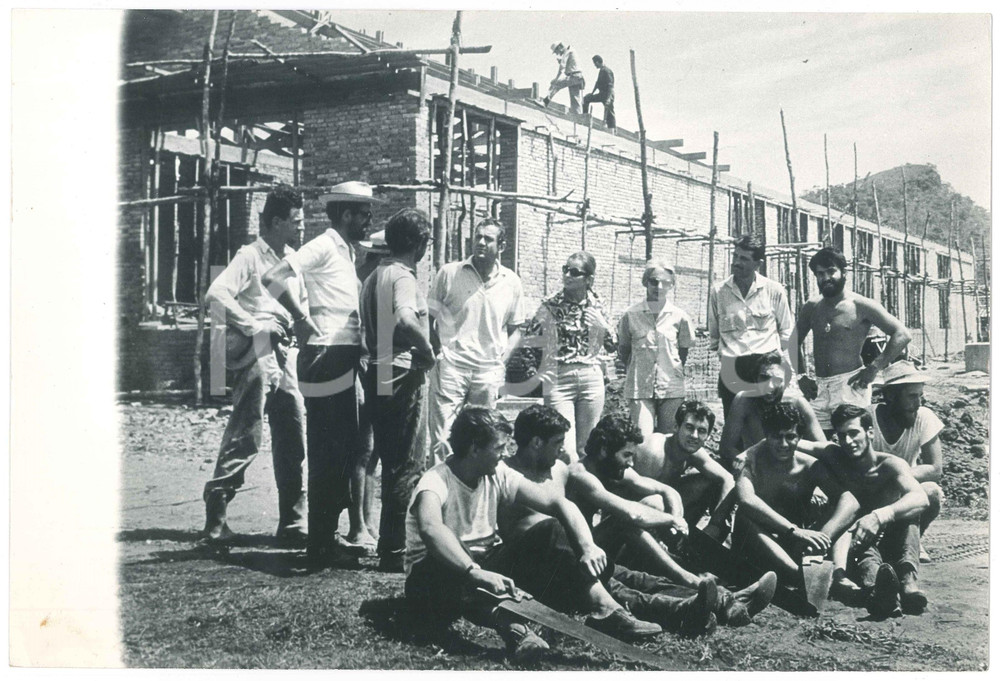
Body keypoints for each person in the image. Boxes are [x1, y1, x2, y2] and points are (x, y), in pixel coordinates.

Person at [404, 408, 659, 665]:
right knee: (449, 560)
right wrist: (473, 571)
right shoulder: (435, 481)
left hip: (483, 564)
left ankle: (605, 609)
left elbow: (559, 503)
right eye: (499, 447)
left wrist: (588, 546)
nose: (504, 453)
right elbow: (431, 529)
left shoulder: (497, 473)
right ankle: (516, 631)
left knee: (550, 528)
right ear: (474, 449)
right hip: (435, 575)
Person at [501, 405, 720, 637]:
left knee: (632, 578)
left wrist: (588, 548)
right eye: (558, 442)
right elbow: (627, 513)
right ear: (536, 442)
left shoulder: (559, 470)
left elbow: (568, 508)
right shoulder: (506, 474)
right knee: (616, 585)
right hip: (539, 566)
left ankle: (716, 601)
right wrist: (671, 520)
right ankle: (679, 609)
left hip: (578, 553)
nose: (563, 449)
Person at [263, 180, 379, 568]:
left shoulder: (346, 252)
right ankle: (320, 546)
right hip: (325, 355)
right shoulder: (325, 245)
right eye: (363, 214)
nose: (368, 221)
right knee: (327, 452)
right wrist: (300, 317)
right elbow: (273, 277)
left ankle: (325, 539)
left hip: (342, 355)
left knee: (342, 450)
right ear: (345, 214)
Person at [566, 414, 777, 627]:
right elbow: (632, 514)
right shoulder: (580, 475)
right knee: (626, 524)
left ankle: (726, 600)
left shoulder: (610, 467)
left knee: (644, 575)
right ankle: (695, 581)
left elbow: (665, 490)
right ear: (604, 450)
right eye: (627, 455)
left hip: (595, 551)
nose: (631, 463)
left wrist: (677, 517)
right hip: (576, 556)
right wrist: (670, 521)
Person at [201, 185, 308, 545]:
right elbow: (216, 294)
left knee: (293, 433)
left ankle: (292, 521)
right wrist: (254, 326)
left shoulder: (292, 260)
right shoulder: (249, 256)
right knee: (247, 432)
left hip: (286, 351)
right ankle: (216, 520)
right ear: (276, 222)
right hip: (258, 348)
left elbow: (299, 306)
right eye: (295, 220)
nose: (300, 226)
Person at [360, 209, 436, 572]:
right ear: (419, 244)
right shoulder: (403, 276)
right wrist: (428, 350)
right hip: (403, 373)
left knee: (390, 460)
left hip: (377, 371)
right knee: (407, 463)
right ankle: (396, 549)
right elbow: (406, 320)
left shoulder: (374, 275)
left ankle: (390, 546)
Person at [428, 219, 526, 464]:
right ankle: (442, 486)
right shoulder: (449, 273)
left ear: (501, 246)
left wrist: (502, 362)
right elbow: (428, 318)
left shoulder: (511, 281)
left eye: (488, 239)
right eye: (478, 237)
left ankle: (476, 485)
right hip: (451, 368)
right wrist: (438, 353)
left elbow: (516, 329)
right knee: (443, 439)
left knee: (483, 438)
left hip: (487, 372)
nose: (480, 242)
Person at [731, 402, 859, 587]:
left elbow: (850, 502)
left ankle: (833, 575)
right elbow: (746, 500)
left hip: (795, 546)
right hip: (758, 545)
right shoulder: (751, 461)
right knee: (744, 516)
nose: (783, 444)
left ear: (800, 438)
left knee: (841, 512)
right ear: (766, 436)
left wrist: (822, 537)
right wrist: (794, 530)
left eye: (790, 437)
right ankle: (801, 578)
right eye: (777, 437)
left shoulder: (809, 465)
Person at [790, 247, 911, 433]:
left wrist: (874, 368)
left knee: (852, 441)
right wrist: (801, 376)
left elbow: (902, 334)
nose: (826, 278)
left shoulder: (861, 305)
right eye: (820, 274)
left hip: (851, 386)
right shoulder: (812, 307)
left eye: (831, 271)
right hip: (818, 389)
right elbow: (793, 341)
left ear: (844, 272)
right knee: (817, 441)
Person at [827, 404, 930, 618]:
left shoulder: (891, 465)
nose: (848, 441)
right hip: (860, 543)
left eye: (854, 433)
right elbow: (797, 444)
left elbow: (920, 498)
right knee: (862, 545)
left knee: (910, 515)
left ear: (870, 433)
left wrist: (879, 516)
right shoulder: (837, 459)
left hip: (894, 540)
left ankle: (908, 581)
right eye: (842, 436)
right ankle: (881, 593)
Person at [522, 251, 616, 462]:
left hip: (591, 378)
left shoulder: (598, 305)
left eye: (574, 272)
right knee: (564, 448)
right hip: (559, 379)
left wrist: (601, 325)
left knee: (587, 448)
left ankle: (581, 484)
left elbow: (613, 346)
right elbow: (529, 341)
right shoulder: (550, 304)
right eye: (565, 269)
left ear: (588, 279)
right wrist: (535, 374)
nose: (567, 275)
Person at [708, 235, 794, 418]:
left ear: (758, 264)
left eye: (744, 259)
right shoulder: (718, 292)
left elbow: (787, 330)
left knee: (769, 422)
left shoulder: (774, 290)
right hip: (732, 369)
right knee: (735, 424)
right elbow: (714, 336)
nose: (736, 262)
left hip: (765, 368)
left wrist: (772, 362)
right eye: (735, 256)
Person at [868, 360, 944, 563]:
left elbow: (935, 469)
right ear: (891, 396)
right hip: (873, 491)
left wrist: (894, 474)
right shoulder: (867, 417)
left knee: (932, 492)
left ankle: (912, 540)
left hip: (905, 488)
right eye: (912, 396)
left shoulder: (924, 417)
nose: (918, 403)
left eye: (920, 396)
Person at [630, 400, 735, 537]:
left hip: (665, 507)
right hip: (632, 516)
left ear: (708, 436)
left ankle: (692, 538)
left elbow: (728, 479)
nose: (694, 436)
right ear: (676, 427)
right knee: (656, 502)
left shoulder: (694, 451)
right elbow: (634, 499)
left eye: (701, 431)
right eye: (689, 427)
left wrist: (715, 524)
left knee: (707, 481)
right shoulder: (654, 451)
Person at [617, 259, 694, 436]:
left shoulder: (680, 316)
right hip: (640, 388)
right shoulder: (631, 315)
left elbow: (683, 351)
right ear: (645, 282)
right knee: (642, 438)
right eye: (654, 281)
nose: (659, 287)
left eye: (665, 283)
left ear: (672, 285)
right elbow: (624, 348)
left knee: (668, 438)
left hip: (671, 387)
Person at [718, 351, 825, 471]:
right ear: (755, 379)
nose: (769, 386)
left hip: (792, 470)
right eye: (764, 378)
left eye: (777, 380)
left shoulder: (797, 403)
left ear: (786, 382)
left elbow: (822, 446)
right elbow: (726, 448)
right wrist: (747, 465)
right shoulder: (744, 401)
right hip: (757, 469)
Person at [543, 42, 585, 114]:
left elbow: (562, 67)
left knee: (556, 84)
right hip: (578, 77)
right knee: (575, 99)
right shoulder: (571, 50)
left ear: (559, 47)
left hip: (573, 76)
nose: (557, 54)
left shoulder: (567, 51)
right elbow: (571, 65)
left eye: (556, 52)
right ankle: (578, 116)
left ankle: (545, 102)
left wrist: (556, 78)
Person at [582, 54, 615, 129]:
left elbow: (610, 86)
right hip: (602, 94)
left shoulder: (607, 71)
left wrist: (608, 99)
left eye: (594, 63)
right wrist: (592, 93)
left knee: (609, 112)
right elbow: (597, 83)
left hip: (608, 94)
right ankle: (585, 118)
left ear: (597, 62)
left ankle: (612, 129)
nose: (594, 65)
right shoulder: (601, 71)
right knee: (586, 99)